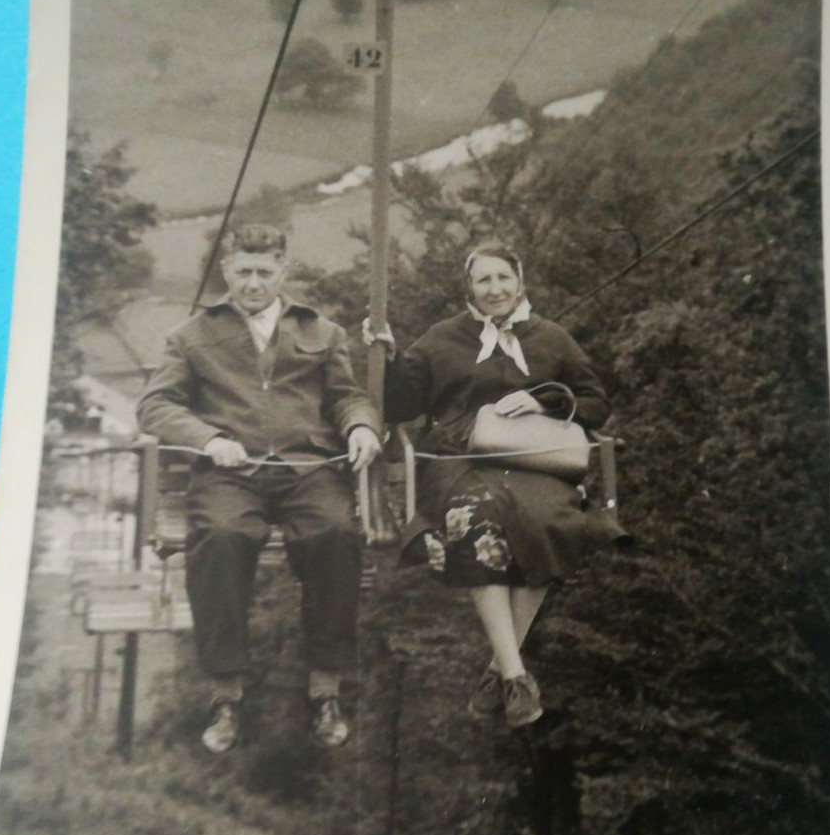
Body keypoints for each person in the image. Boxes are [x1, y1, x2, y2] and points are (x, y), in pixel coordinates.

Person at [137, 223, 382, 753]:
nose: (253, 283)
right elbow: (155, 405)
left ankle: (325, 687)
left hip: (306, 467)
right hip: (231, 471)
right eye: (243, 271)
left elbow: (347, 396)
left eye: (264, 272)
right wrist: (208, 439)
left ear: (283, 272)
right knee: (221, 536)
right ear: (227, 270)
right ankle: (226, 694)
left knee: (336, 534)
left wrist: (362, 425)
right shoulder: (192, 335)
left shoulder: (321, 331)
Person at [370, 242, 623, 727]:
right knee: (479, 517)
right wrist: (389, 357)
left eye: (503, 278)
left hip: (535, 463)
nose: (495, 289)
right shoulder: (442, 339)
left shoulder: (551, 338)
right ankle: (514, 673)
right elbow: (398, 406)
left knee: (555, 522)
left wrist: (544, 402)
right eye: (484, 280)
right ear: (469, 288)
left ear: (520, 281)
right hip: (457, 461)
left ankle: (499, 672)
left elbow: (596, 404)